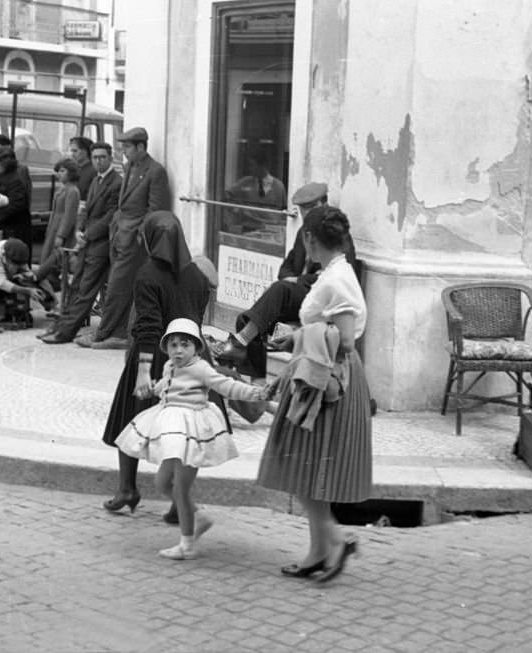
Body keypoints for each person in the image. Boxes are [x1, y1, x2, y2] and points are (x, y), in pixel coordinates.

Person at [256, 206, 371, 584]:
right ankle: (319, 550)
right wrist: (296, 336)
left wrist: (302, 336)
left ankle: (334, 541)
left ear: (308, 238)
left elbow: (347, 340)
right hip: (319, 374)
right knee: (306, 467)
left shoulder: (336, 280)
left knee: (307, 464)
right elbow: (329, 328)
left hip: (327, 382)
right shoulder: (335, 273)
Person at [100, 211, 223, 521]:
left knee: (128, 422)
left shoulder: (147, 274)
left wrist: (143, 369)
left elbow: (147, 327)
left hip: (152, 356)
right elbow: (195, 317)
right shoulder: (195, 274)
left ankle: (127, 489)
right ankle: (176, 504)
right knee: (183, 430)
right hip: (189, 359)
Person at [115, 318, 267, 560]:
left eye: (184, 345)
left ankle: (187, 544)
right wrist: (151, 389)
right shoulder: (169, 367)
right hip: (171, 428)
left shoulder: (201, 368)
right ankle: (200, 517)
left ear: (197, 348)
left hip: (192, 432)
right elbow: (166, 385)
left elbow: (227, 386)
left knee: (182, 489)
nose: (178, 350)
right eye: (173, 345)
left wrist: (257, 392)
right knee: (163, 483)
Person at [215, 182, 355, 380]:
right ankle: (256, 381)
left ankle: (239, 343)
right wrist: (292, 279)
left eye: (310, 209)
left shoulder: (338, 241)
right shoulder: (303, 233)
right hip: (301, 297)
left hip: (315, 296)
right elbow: (285, 268)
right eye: (302, 210)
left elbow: (329, 279)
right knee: (248, 319)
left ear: (323, 204)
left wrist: (297, 280)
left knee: (280, 290)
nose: (305, 215)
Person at [77, 126, 171, 350]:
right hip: (118, 235)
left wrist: (138, 236)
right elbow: (123, 204)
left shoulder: (155, 171)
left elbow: (156, 211)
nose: (124, 152)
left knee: (117, 286)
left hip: (135, 242)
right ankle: (117, 332)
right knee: (119, 285)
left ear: (140, 146)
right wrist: (115, 227)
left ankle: (106, 333)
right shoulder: (130, 167)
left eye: (127, 147)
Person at [39, 141, 120, 344]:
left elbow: (110, 216)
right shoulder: (96, 181)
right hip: (86, 242)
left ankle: (65, 333)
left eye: (102, 157)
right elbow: (86, 211)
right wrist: (79, 231)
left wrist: (88, 234)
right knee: (75, 287)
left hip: (101, 245)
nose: (98, 161)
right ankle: (60, 327)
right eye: (95, 158)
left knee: (86, 291)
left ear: (110, 158)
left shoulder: (116, 182)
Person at [33, 158, 81, 309]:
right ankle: (52, 301)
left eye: (63, 171)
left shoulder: (73, 191)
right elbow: (57, 212)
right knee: (48, 267)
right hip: (53, 230)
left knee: (49, 267)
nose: (59, 174)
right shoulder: (62, 189)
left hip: (61, 233)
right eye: (58, 171)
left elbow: (69, 215)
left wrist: (61, 235)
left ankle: (56, 302)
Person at [0, 144, 33, 253]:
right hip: (0, 228)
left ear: (5, 162)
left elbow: (18, 204)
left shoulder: (15, 180)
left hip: (13, 231)